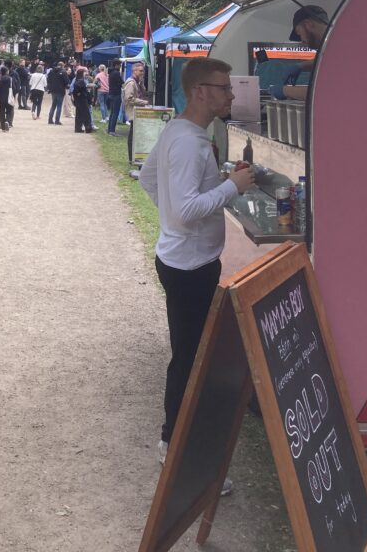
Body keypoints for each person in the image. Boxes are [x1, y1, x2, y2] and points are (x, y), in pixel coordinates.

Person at [139, 58, 254, 481]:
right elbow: (186, 209)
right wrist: (231, 187)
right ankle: (178, 449)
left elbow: (148, 180)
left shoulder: (179, 131)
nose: (231, 95)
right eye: (224, 88)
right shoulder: (189, 141)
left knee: (189, 357)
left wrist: (176, 217)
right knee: (190, 362)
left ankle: (177, 444)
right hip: (190, 267)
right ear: (199, 91)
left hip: (178, 259)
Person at [272, 5, 330, 100]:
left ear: (308, 24)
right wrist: (301, 66)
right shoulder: (335, 41)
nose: (302, 40)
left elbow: (324, 93)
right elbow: (327, 60)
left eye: (299, 33)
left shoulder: (340, 43)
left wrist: (285, 91)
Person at [123, 62, 149, 163]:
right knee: (133, 136)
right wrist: (143, 102)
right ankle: (131, 158)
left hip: (138, 112)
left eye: (143, 71)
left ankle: (134, 156)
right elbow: (129, 98)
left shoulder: (138, 82)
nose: (143, 73)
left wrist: (142, 84)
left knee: (135, 135)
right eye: (141, 71)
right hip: (133, 112)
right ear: (134, 71)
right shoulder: (131, 83)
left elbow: (142, 93)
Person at [71, 68, 94, 133]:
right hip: (82, 100)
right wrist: (80, 94)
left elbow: (75, 91)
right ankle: (88, 128)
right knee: (86, 114)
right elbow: (77, 91)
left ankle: (78, 128)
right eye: (84, 72)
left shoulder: (77, 80)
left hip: (78, 100)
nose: (85, 73)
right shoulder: (81, 81)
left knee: (79, 115)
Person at [106, 60, 124, 136]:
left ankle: (109, 129)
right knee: (115, 113)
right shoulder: (116, 73)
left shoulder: (110, 73)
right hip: (116, 94)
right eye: (119, 65)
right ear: (116, 65)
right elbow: (121, 82)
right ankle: (112, 131)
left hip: (111, 94)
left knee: (112, 113)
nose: (120, 66)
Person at [0, 65, 15, 132]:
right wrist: (13, 95)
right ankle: (7, 121)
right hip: (9, 96)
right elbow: (14, 88)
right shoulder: (10, 78)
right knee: (9, 110)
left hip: (1, 97)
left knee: (2, 111)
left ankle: (3, 126)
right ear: (7, 71)